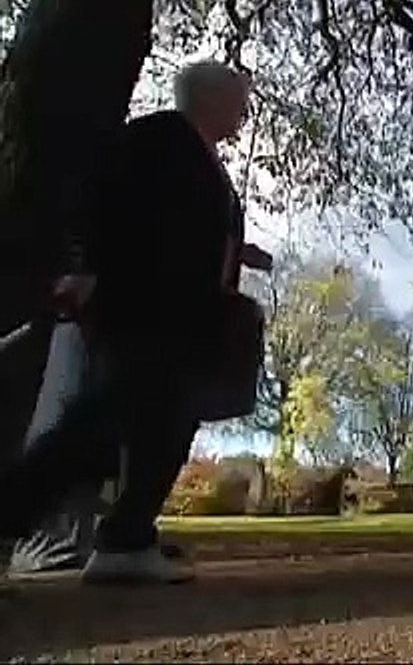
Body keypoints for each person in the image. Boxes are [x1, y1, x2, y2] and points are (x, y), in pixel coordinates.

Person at [0, 59, 272, 585]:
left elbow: (186, 231)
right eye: (238, 101)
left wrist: (240, 252)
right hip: (143, 311)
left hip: (189, 320)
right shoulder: (157, 138)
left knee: (164, 428)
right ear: (211, 99)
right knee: (103, 423)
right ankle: (22, 515)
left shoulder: (202, 160)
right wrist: (84, 267)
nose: (242, 113)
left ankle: (126, 541)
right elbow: (99, 201)